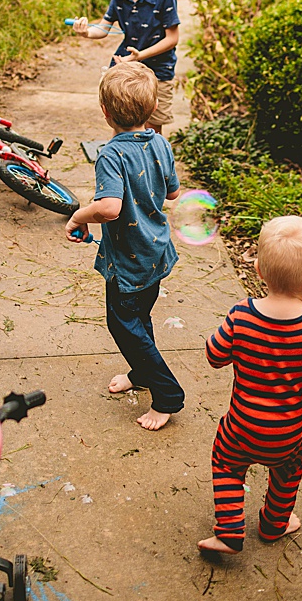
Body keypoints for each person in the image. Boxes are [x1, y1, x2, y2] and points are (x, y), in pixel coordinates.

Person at [197, 216, 302, 555]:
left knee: (226, 465)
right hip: (289, 432)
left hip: (242, 425)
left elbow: (214, 356)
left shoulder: (240, 315)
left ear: (258, 270)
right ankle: (275, 524)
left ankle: (229, 531)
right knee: (287, 476)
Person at [65, 61, 183, 430]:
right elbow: (174, 192)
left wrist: (78, 217)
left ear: (105, 112)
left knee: (122, 324)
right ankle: (142, 373)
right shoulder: (161, 142)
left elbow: (110, 208)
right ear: (151, 109)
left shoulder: (111, 154)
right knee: (140, 318)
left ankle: (167, 395)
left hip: (130, 261)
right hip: (155, 251)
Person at [70, 0, 179, 133]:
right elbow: (104, 27)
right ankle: (118, 160)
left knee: (152, 127)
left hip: (158, 71)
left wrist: (140, 56)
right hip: (125, 69)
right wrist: (86, 32)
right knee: (121, 120)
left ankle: (151, 162)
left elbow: (172, 39)